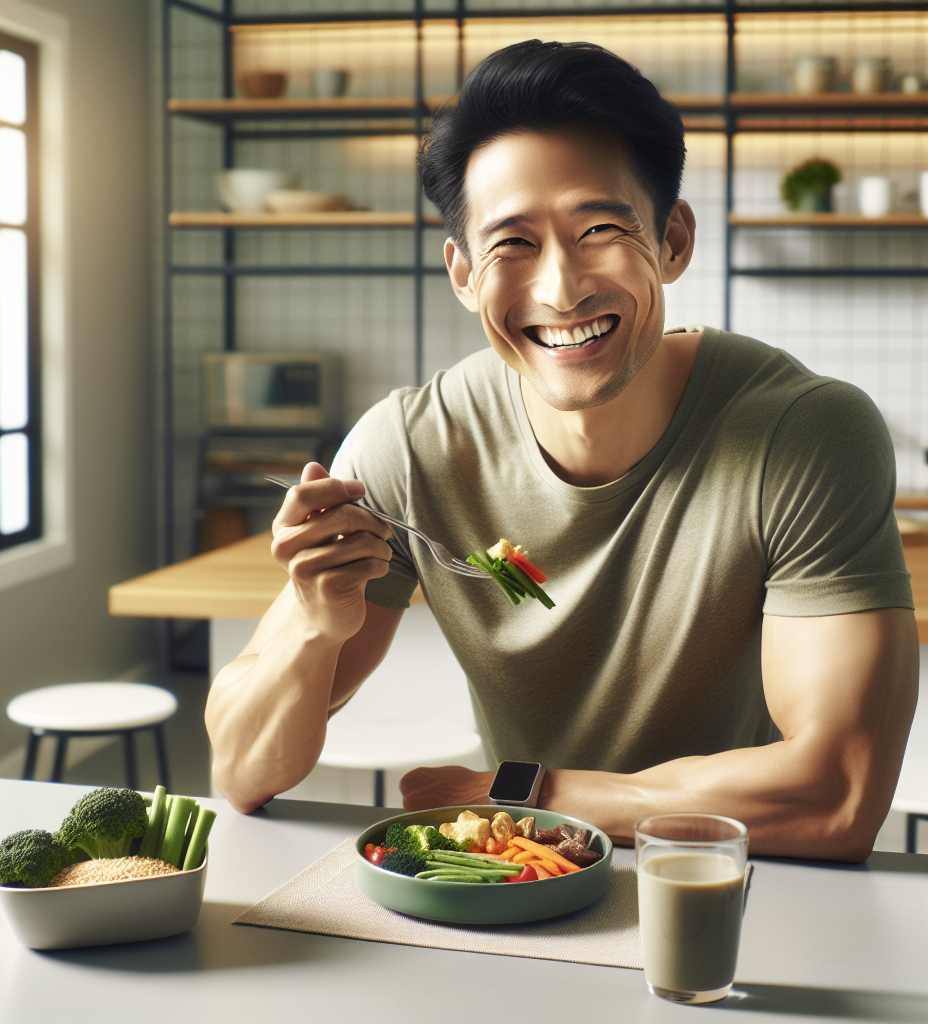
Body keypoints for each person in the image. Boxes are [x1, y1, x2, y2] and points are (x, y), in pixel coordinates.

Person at [205, 40, 918, 861]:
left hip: (734, 884)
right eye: (513, 244)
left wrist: (528, 794)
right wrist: (313, 625)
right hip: (522, 884)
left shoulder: (804, 434)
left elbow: (837, 797)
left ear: (673, 240)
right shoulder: (407, 450)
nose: (561, 290)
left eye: (600, 229)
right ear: (463, 274)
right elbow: (241, 772)